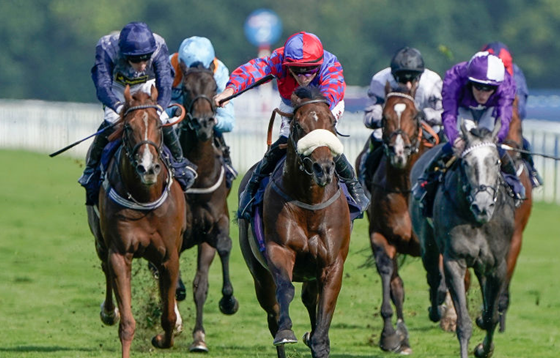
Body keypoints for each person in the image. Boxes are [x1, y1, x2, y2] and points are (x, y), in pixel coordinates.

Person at [213, 31, 369, 220]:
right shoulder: (279, 59)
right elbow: (253, 71)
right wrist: (229, 91)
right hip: (292, 103)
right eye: (296, 70)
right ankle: (252, 187)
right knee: (285, 142)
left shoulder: (331, 64)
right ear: (287, 64)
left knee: (324, 142)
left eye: (310, 70)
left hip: (326, 104)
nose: (303, 76)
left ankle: (354, 187)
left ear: (319, 64)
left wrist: (314, 118)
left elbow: (333, 89)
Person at [78, 22, 196, 205]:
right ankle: (92, 170)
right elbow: (102, 85)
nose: (142, 65)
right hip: (117, 88)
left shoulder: (158, 45)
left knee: (160, 119)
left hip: (147, 85)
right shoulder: (106, 47)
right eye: (136, 60)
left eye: (145, 59)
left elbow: (165, 83)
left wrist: (159, 108)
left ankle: (179, 164)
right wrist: (119, 108)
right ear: (124, 55)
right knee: (111, 120)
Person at [412, 51, 525, 214]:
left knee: (488, 147)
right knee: (460, 146)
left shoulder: (506, 85)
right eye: (478, 87)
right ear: (470, 81)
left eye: (489, 89)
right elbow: (449, 114)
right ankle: (426, 180)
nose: (483, 93)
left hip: (489, 110)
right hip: (462, 107)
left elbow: (504, 118)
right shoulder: (454, 79)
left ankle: (514, 182)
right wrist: (455, 139)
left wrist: (495, 139)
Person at [360, 46, 444, 186]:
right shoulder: (380, 81)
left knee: (445, 140)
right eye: (403, 80)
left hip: (426, 126)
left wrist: (423, 115)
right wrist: (387, 118)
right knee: (375, 138)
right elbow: (369, 117)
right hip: (392, 126)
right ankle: (365, 178)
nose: (409, 85)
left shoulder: (432, 82)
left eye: (413, 79)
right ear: (393, 75)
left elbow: (443, 114)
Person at [169, 36, 238, 186]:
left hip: (207, 115)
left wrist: (215, 121)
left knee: (207, 121)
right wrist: (174, 111)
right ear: (181, 65)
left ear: (210, 67)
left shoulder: (219, 72)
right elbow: (158, 103)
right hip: (177, 110)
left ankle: (226, 164)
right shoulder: (168, 67)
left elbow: (229, 122)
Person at [480, 41, 542, 187]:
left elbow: (521, 102)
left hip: (508, 122)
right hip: (484, 123)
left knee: (523, 144)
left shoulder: (516, 72)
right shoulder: (479, 70)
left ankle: (531, 173)